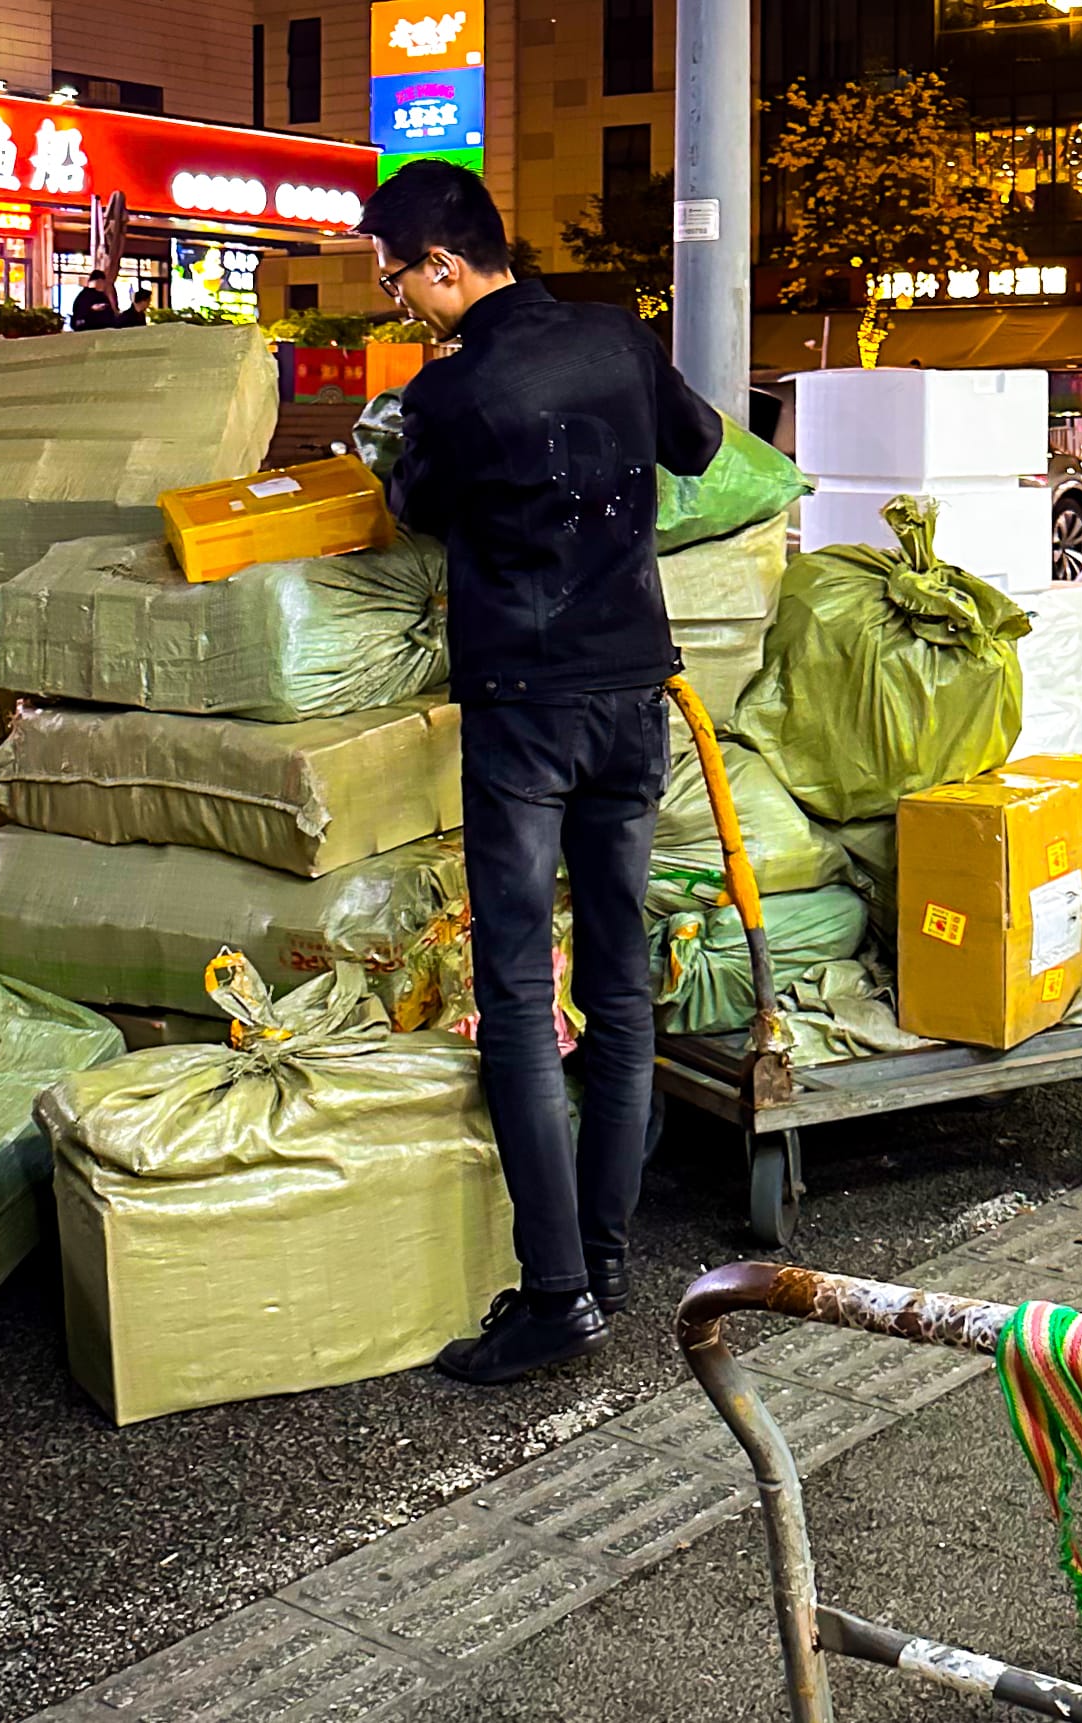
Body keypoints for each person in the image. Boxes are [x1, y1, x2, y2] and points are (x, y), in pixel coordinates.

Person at [355, 160, 722, 1386]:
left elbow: (415, 506)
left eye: (398, 275)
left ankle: (556, 1291)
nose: (398, 298)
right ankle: (608, 1260)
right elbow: (703, 445)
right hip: (635, 699)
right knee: (619, 982)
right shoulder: (621, 336)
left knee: (519, 991)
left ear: (445, 266)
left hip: (525, 712)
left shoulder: (449, 395)